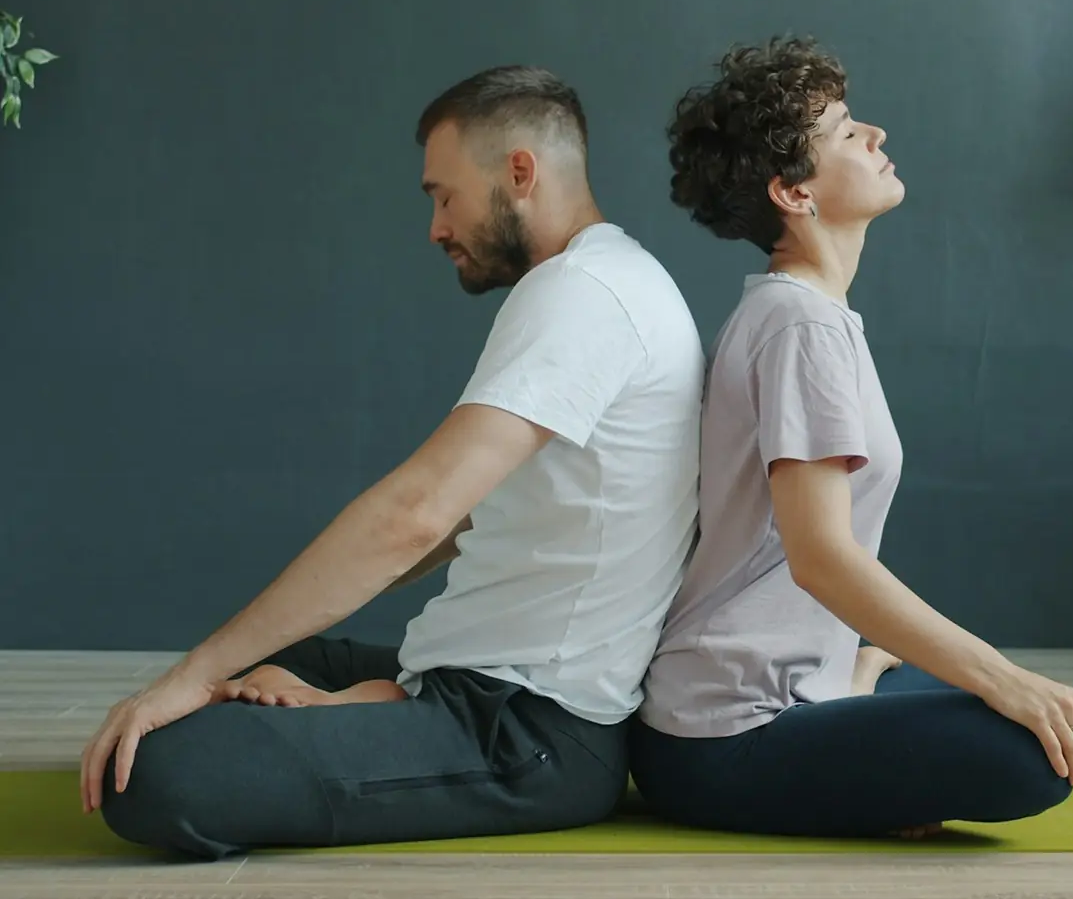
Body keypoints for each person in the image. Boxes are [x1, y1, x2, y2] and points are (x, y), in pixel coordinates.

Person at [82, 65, 705, 859]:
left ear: (519, 172)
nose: (435, 228)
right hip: (475, 683)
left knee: (158, 774)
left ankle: (346, 710)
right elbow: (468, 515)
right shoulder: (601, 280)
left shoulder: (586, 294)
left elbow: (417, 514)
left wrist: (198, 677)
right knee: (262, 659)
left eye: (443, 196)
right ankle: (352, 703)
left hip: (526, 731)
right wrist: (220, 668)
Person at [631, 37, 1073, 840]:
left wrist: (863, 654)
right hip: (726, 733)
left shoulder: (804, 315)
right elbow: (820, 557)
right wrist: (1003, 677)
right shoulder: (798, 326)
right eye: (844, 133)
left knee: (1030, 718)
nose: (874, 134)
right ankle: (852, 736)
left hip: (782, 689)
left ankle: (852, 700)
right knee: (1028, 750)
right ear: (793, 192)